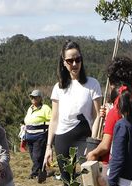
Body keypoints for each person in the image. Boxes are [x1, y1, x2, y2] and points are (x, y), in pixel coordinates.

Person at [44, 40, 102, 178]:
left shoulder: (92, 84)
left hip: (85, 138)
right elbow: (54, 119)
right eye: (70, 61)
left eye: (78, 59)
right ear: (64, 62)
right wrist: (48, 147)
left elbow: (97, 117)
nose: (75, 64)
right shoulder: (58, 88)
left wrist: (93, 144)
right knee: (67, 184)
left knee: (90, 181)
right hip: (62, 139)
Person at [85, 56, 132, 166]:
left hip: (114, 167)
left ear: (112, 84)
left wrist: (92, 154)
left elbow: (105, 146)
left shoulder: (114, 112)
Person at [22, 89, 52, 181]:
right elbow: (27, 120)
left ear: (40, 98)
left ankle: (34, 173)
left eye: (35, 97)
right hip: (29, 136)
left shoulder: (45, 108)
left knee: (37, 156)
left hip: (40, 136)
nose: (33, 99)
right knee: (33, 156)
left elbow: (51, 120)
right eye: (31, 97)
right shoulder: (30, 108)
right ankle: (41, 171)